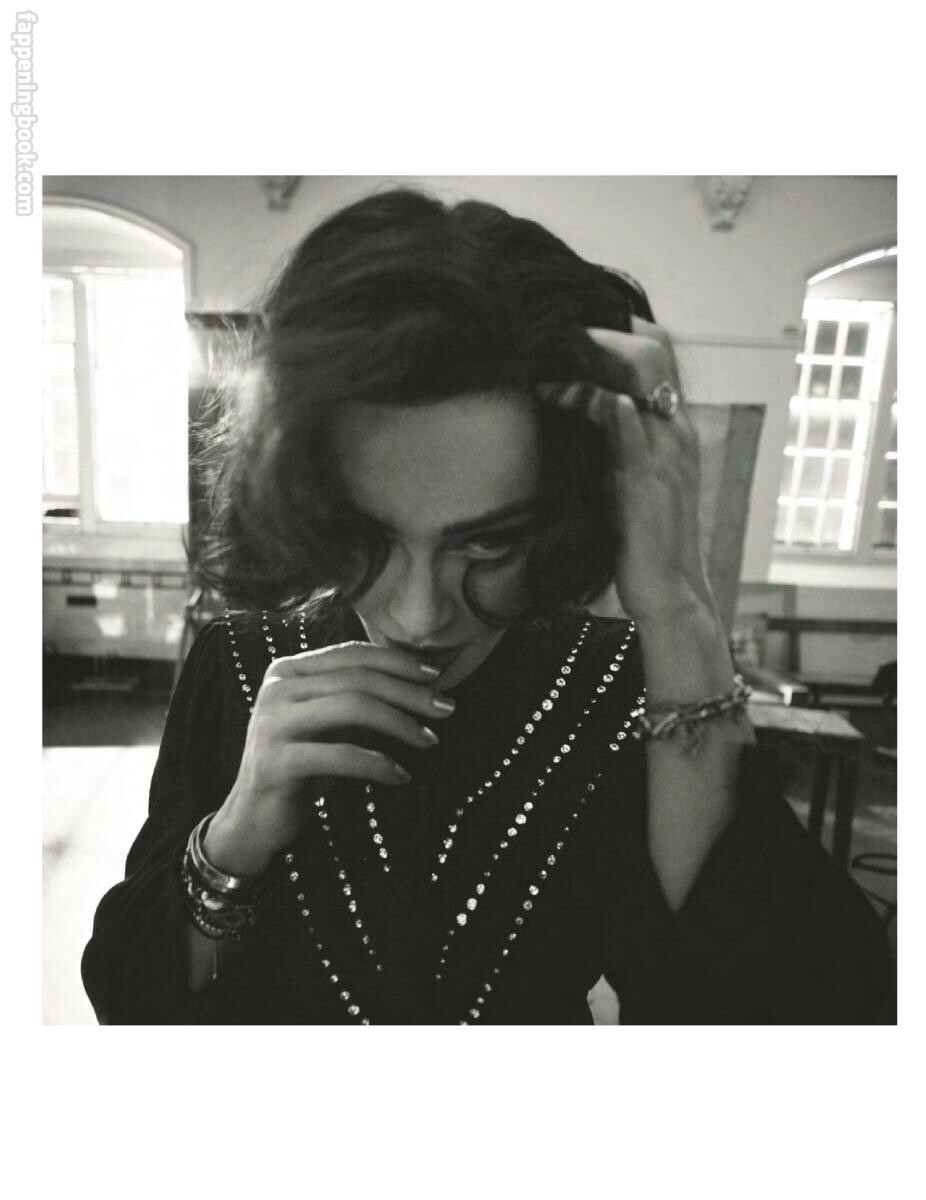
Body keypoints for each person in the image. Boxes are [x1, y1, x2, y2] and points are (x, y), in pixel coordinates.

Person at [81, 188, 894, 1024]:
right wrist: (236, 834)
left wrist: (681, 608)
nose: (419, 616)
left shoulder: (621, 688)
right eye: (370, 537)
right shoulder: (239, 666)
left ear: (561, 515)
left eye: (487, 544)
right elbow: (128, 998)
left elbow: (808, 1014)